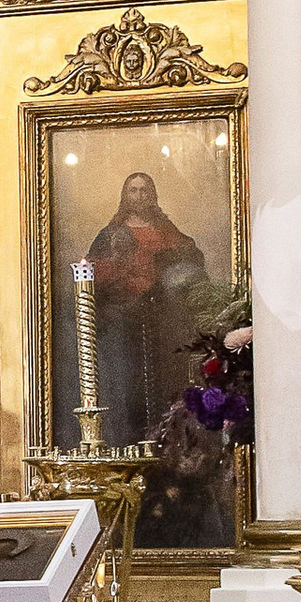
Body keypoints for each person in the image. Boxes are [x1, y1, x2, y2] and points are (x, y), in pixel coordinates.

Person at [84, 167, 206, 443]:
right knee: (131, 385)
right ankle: (132, 440)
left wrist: (171, 260)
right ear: (125, 195)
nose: (138, 196)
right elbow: (93, 271)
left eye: (144, 190)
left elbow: (189, 256)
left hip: (160, 320)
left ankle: (165, 441)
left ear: (152, 195)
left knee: (163, 385)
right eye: (133, 190)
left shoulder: (165, 230)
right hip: (124, 322)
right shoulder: (112, 233)